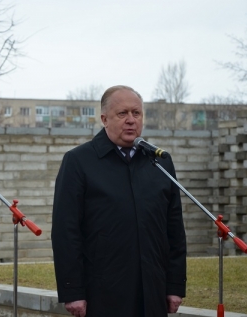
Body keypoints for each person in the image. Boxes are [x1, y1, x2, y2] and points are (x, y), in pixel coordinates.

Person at [51, 85, 187, 317]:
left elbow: (174, 229)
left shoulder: (160, 163)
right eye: (122, 114)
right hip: (103, 293)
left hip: (153, 291)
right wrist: (72, 290)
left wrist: (175, 286)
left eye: (136, 113)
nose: (131, 120)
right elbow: (66, 231)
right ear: (104, 119)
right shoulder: (78, 161)